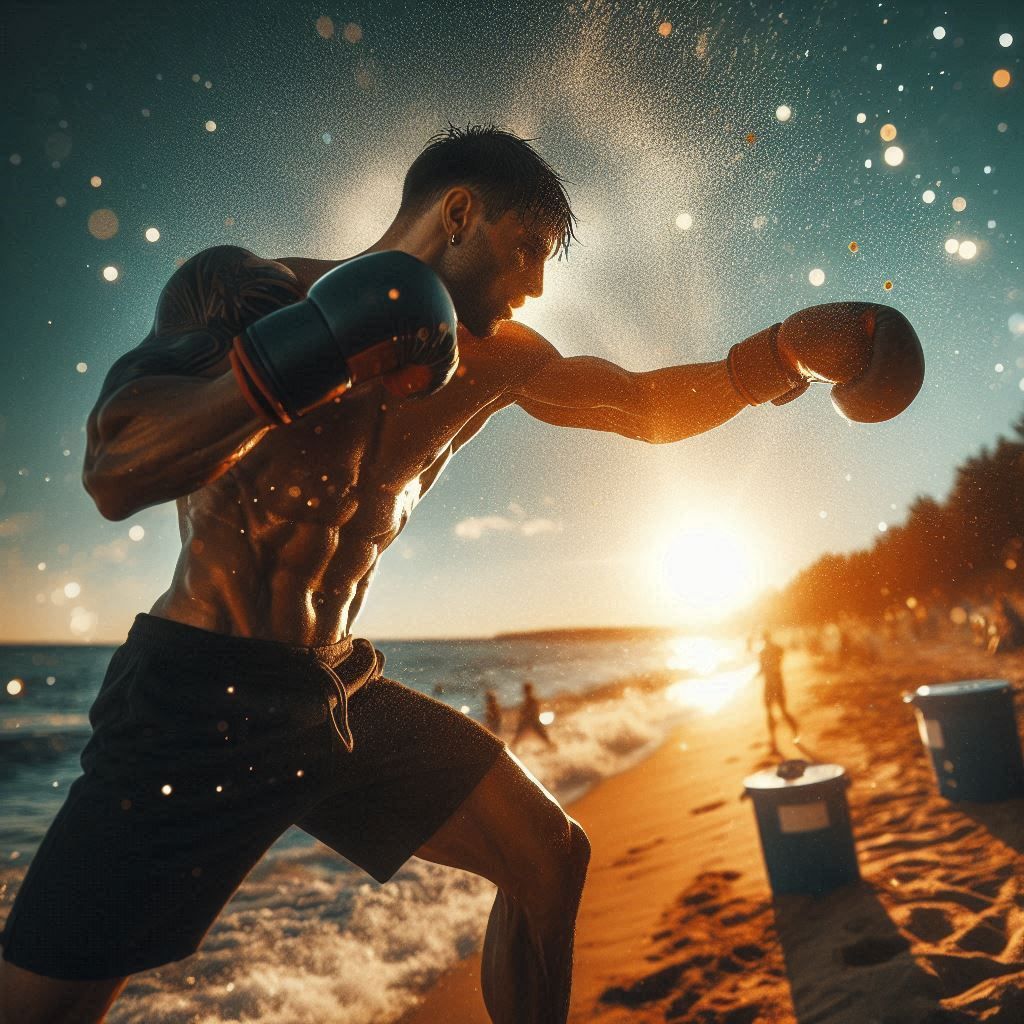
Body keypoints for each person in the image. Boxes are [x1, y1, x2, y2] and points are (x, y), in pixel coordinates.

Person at [0, 124, 923, 1024]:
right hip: (198, 694)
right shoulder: (250, 289)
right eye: (525, 249)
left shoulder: (503, 358)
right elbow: (117, 466)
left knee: (549, 858)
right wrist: (316, 347)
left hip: (334, 690)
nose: (535, 284)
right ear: (457, 211)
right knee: (50, 1002)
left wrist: (781, 355)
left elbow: (639, 404)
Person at [758, 630, 800, 755]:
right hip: (775, 683)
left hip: (772, 684)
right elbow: (770, 666)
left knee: (773, 711)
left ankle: (777, 739)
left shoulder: (763, 652)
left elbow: (764, 669)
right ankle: (793, 735)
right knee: (778, 711)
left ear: (763, 638)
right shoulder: (776, 649)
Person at [511, 681, 556, 750]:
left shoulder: (531, 700)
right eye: (526, 690)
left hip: (532, 720)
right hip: (529, 721)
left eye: (526, 690)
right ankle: (512, 748)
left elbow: (534, 711)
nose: (525, 692)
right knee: (518, 736)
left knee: (542, 735)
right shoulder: (528, 701)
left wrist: (527, 717)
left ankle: (552, 747)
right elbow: (525, 712)